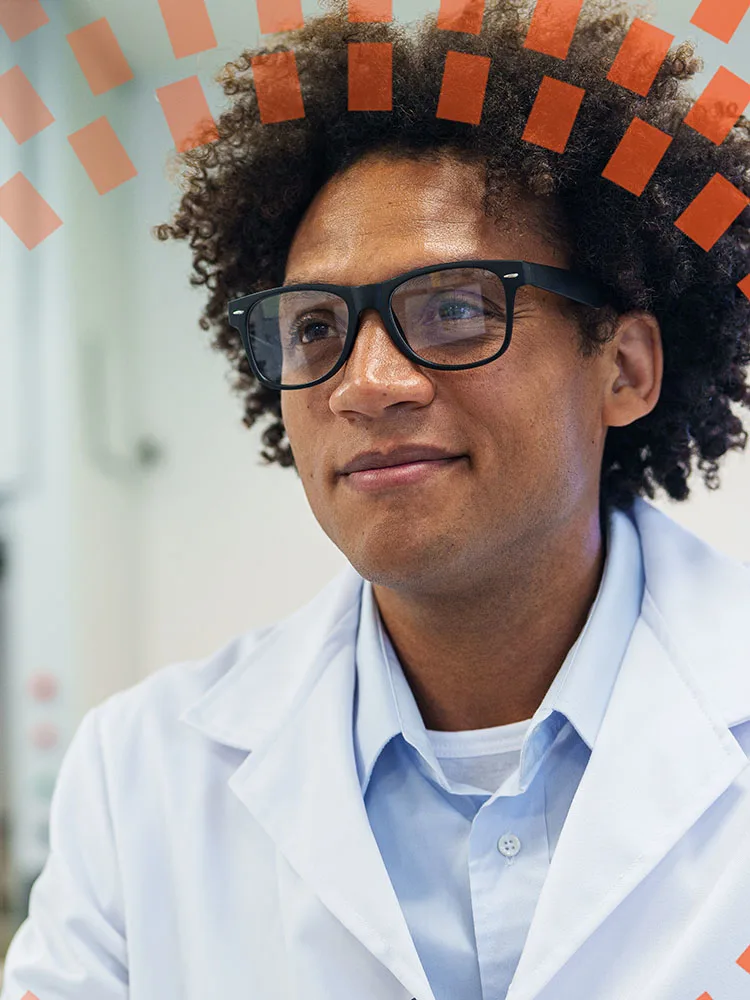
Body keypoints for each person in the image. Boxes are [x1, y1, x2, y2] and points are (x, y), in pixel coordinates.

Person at [3, 0, 750, 998]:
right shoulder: (140, 774)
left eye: (453, 309)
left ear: (624, 367)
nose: (365, 384)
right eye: (316, 328)